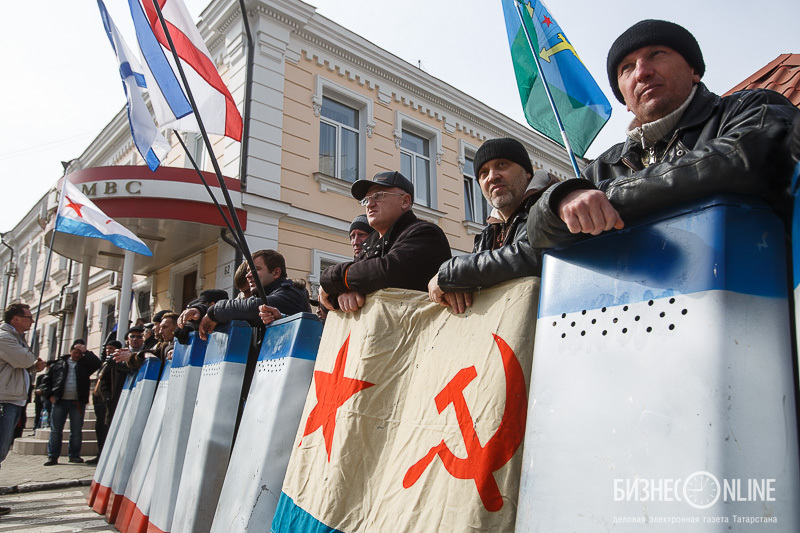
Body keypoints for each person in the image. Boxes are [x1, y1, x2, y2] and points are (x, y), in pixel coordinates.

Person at [527, 19, 800, 249]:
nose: (642, 72)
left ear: (694, 70)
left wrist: (603, 197)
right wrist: (560, 200)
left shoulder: (752, 107)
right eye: (627, 68)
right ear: (623, 97)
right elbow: (532, 242)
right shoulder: (603, 167)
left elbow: (740, 161)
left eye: (657, 54)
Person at [428, 138, 558, 313]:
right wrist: (455, 288)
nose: (492, 177)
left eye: (502, 164)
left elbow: (534, 255)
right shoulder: (487, 234)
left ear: (527, 172)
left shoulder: (551, 203)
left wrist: (451, 272)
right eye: (483, 173)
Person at [319, 171, 452, 313]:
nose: (369, 204)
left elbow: (387, 272)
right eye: (367, 199)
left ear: (405, 201)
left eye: (378, 195)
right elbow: (328, 302)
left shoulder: (425, 233)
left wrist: (335, 279)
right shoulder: (369, 246)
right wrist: (343, 293)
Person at [193, 250, 311, 340]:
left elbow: (253, 307)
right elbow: (238, 308)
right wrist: (200, 313)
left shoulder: (291, 293)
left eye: (256, 270)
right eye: (248, 270)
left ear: (276, 273)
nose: (248, 275)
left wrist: (214, 311)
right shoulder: (262, 294)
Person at [0, 304, 45, 476]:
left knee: (3, 449)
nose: (32, 321)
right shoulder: (5, 337)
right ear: (16, 319)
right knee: (1, 448)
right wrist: (30, 362)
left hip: (13, 398)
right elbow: (24, 360)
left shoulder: (16, 336)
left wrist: (33, 367)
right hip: (5, 399)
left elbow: (18, 365)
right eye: (29, 317)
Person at [41, 340, 101, 466]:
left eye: (80, 353)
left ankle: (74, 455)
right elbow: (46, 382)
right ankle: (52, 456)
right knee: (56, 430)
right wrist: (50, 396)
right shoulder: (59, 363)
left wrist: (87, 352)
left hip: (77, 403)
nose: (77, 355)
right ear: (70, 352)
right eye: (75, 352)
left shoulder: (85, 364)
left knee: (76, 431)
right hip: (59, 401)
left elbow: (98, 363)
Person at [85, 339, 122, 465]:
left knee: (106, 429)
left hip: (107, 401)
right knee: (100, 429)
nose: (108, 351)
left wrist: (108, 398)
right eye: (107, 349)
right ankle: (100, 454)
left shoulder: (115, 363)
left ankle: (105, 456)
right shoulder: (104, 363)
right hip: (98, 401)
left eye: (111, 348)